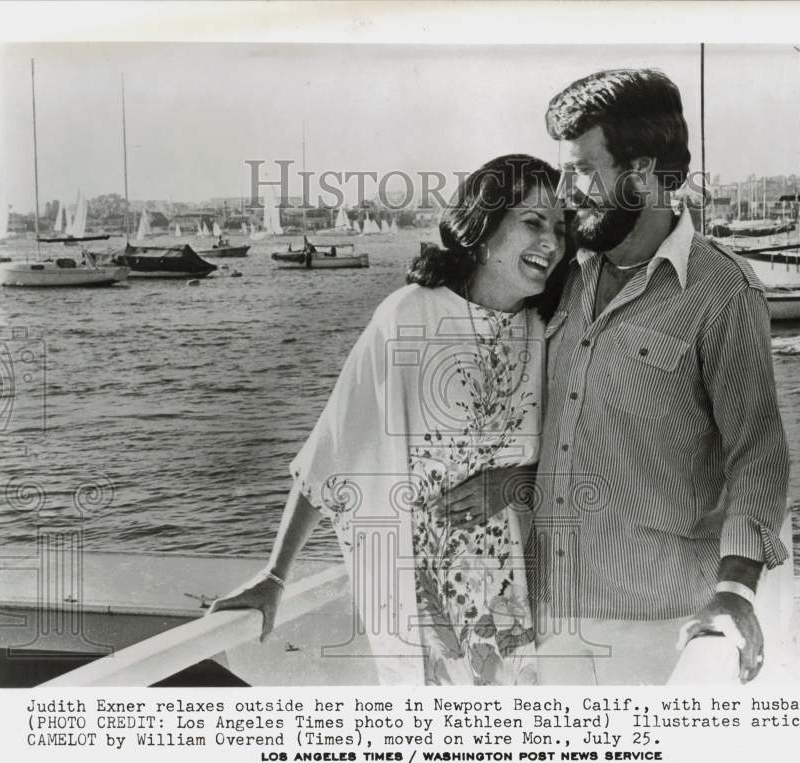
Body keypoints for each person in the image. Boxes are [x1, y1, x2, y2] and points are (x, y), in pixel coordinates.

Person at [210, 154, 568, 686]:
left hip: (523, 591)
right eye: (533, 223)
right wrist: (275, 574)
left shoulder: (547, 328)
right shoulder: (408, 316)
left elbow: (580, 449)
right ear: (484, 227)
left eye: (561, 230)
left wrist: (520, 482)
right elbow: (334, 448)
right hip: (420, 594)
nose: (551, 243)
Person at [530, 69, 790, 685]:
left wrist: (735, 588)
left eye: (585, 169)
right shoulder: (563, 274)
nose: (569, 192)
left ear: (643, 171)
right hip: (545, 609)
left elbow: (756, 452)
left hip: (655, 625)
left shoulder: (722, 291)